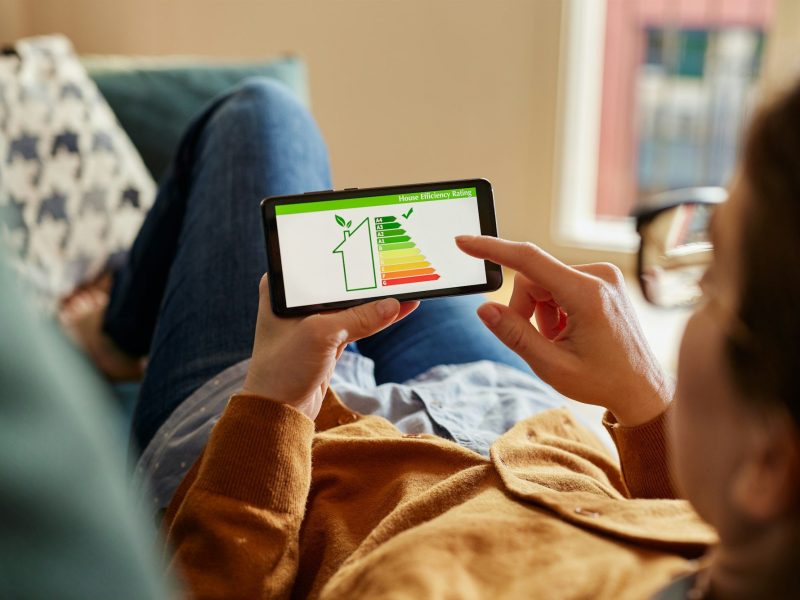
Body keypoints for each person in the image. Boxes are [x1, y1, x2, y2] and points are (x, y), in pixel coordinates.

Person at [65, 75, 800, 599]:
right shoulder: (764, 548)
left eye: (709, 287)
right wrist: (645, 402)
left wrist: (274, 399)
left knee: (261, 111)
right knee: (402, 243)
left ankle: (116, 334)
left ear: (771, 464)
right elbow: (693, 522)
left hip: (278, 452)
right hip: (508, 415)